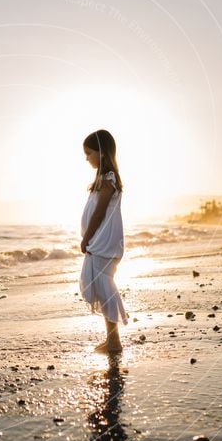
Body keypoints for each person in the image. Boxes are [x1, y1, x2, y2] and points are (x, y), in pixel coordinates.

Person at [79, 129, 128, 354]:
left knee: (104, 288)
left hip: (103, 243)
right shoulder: (103, 178)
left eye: (89, 153)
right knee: (102, 287)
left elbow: (99, 213)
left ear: (101, 152)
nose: (87, 157)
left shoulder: (107, 179)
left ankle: (114, 341)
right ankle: (112, 340)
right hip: (102, 243)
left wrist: (87, 237)